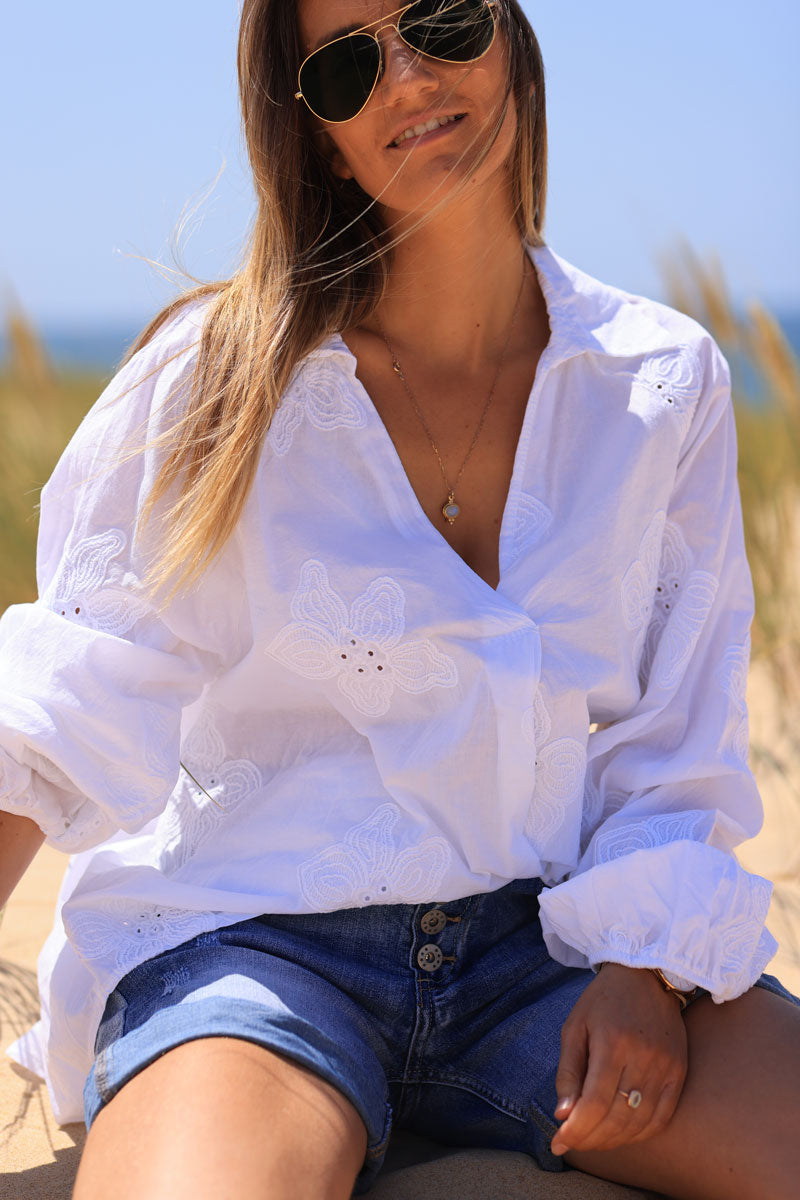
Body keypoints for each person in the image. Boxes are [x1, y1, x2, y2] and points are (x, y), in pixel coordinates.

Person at [1, 1, 798, 1197]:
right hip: (254, 950)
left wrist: (644, 968)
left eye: (438, 19)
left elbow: (667, 742)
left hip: (550, 947)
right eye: (345, 65)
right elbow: (61, 705)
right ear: (315, 131)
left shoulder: (659, 381)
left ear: (509, 36)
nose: (408, 78)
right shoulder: (212, 378)